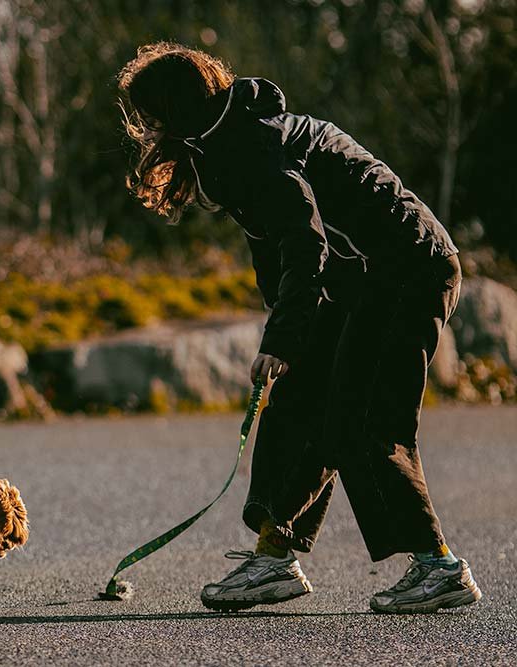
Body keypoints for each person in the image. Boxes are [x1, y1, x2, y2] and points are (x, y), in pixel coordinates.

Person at [117, 42, 481, 614]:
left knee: (359, 418)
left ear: (176, 110)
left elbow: (304, 240)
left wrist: (283, 338)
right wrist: (291, 334)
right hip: (359, 278)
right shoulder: (224, 138)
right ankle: (273, 558)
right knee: (296, 400)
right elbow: (276, 248)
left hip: (407, 268)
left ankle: (438, 566)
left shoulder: (252, 147)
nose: (148, 131)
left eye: (152, 117)